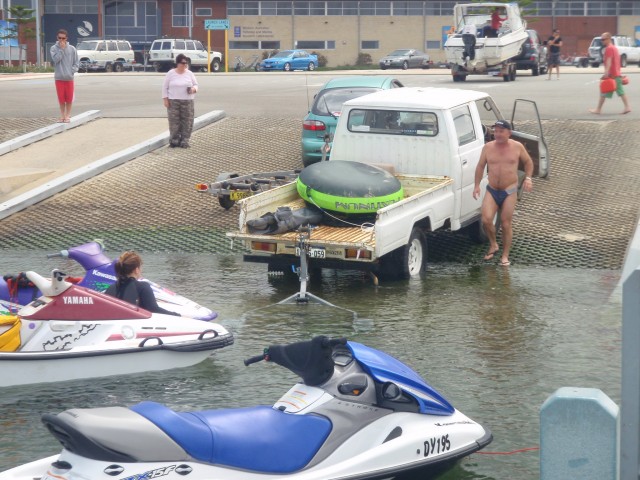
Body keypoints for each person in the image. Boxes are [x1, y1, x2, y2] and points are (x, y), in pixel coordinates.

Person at [473, 120, 534, 267]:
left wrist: (528, 178)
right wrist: (476, 186)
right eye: (496, 131)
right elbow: (480, 166)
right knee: (486, 220)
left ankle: (505, 256)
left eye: (501, 131)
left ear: (509, 133)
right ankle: (493, 244)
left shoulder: (517, 147)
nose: (498, 134)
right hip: (492, 189)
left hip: (509, 190)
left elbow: (528, 162)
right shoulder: (488, 147)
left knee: (506, 224)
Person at [105, 251, 180, 315]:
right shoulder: (142, 287)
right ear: (136, 270)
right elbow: (154, 310)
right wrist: (177, 315)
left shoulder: (110, 288)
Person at [589, 32, 631, 115]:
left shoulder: (609, 48)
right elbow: (616, 62)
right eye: (601, 39)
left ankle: (598, 109)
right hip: (616, 74)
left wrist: (606, 73)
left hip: (612, 75)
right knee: (619, 92)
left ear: (609, 39)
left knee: (604, 91)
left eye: (603, 39)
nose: (602, 41)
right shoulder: (614, 48)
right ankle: (627, 107)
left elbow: (609, 61)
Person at [162, 53, 198, 148]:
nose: (184, 65)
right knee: (174, 121)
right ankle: (174, 140)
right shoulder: (171, 73)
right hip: (173, 101)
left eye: (186, 63)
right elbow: (165, 87)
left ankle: (185, 140)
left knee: (187, 121)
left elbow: (196, 85)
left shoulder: (189, 74)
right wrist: (165, 99)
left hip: (187, 101)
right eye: (183, 63)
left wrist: (193, 89)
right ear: (177, 63)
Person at [50, 29, 79, 123]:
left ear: (66, 38)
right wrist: (61, 50)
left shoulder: (72, 49)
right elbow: (56, 60)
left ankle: (67, 115)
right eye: (59, 38)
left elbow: (76, 63)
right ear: (57, 38)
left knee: (69, 98)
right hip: (59, 78)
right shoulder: (54, 48)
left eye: (63, 38)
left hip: (69, 77)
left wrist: (72, 71)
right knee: (61, 99)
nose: (61, 40)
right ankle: (62, 116)